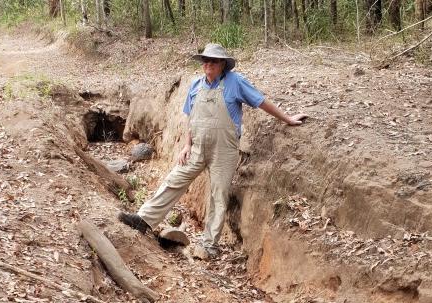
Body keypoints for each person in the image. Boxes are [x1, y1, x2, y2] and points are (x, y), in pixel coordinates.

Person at [119, 43, 307, 259]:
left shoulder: (235, 82)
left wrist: (288, 119)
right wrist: (187, 145)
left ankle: (209, 245)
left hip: (224, 151)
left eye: (214, 61)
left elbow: (261, 101)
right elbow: (191, 117)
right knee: (174, 180)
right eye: (205, 60)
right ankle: (143, 220)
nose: (208, 64)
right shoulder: (196, 85)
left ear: (223, 65)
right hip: (197, 148)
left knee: (218, 195)